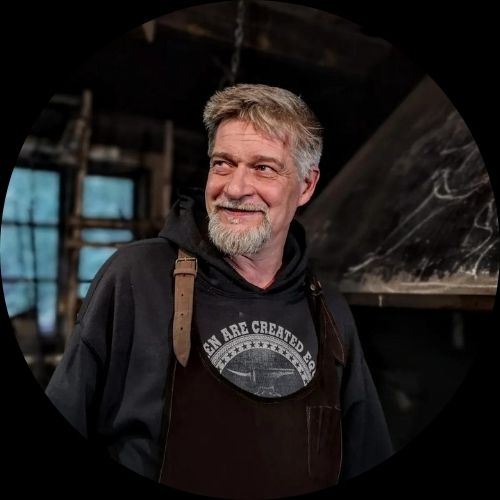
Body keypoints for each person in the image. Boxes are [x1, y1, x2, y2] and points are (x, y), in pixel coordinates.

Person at [46, 83, 393, 498]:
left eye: (263, 168)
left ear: (305, 185)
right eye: (223, 164)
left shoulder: (328, 308)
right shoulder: (136, 277)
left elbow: (366, 454)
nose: (234, 188)